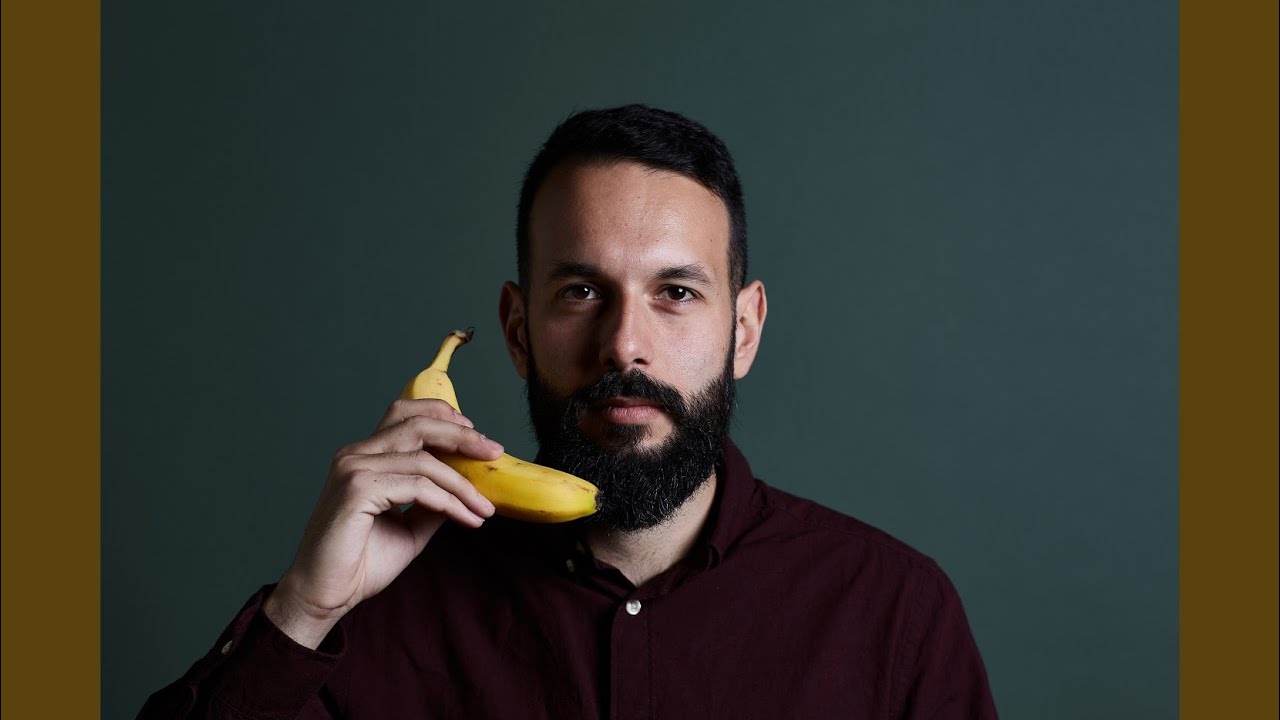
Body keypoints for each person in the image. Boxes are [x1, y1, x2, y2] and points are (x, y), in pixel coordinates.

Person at [140, 104, 998, 719]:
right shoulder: (378, 609)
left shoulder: (893, 613)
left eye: (676, 292)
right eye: (582, 291)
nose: (624, 345)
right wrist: (302, 612)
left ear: (743, 330)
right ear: (518, 331)